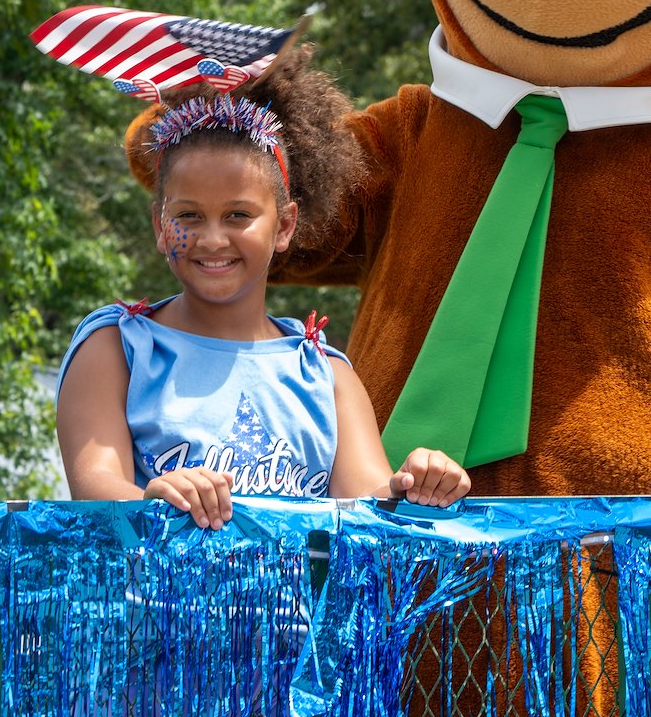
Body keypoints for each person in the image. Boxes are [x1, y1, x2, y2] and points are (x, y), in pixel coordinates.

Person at [56, 53, 469, 528]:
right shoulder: (116, 348)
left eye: (238, 216)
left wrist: (418, 487)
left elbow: (370, 521)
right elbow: (93, 489)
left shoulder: (326, 376)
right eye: (189, 215)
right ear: (160, 226)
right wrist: (149, 500)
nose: (212, 239)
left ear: (285, 226)